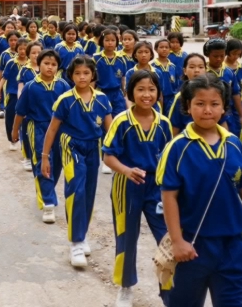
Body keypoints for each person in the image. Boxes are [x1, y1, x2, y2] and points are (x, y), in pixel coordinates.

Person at [156, 74, 242, 307]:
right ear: (188, 107)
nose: (207, 110)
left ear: (224, 108)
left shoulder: (233, 144)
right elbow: (169, 198)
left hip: (232, 243)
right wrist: (177, 241)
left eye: (214, 104)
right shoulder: (177, 149)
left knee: (232, 302)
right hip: (192, 247)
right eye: (200, 103)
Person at [103, 70, 172, 307]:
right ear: (130, 92)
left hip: (157, 187)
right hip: (127, 185)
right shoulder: (122, 121)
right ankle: (125, 287)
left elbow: (168, 158)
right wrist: (125, 170)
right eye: (141, 89)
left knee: (167, 239)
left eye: (152, 89)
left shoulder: (164, 123)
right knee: (126, 237)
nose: (147, 94)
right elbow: (108, 157)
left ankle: (169, 292)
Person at [41, 56, 113, 268]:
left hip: (93, 147)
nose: (82, 77)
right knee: (76, 190)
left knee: (89, 192)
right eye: (77, 73)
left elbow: (110, 131)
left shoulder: (102, 99)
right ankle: (76, 242)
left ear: (93, 76)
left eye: (86, 73)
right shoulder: (65, 100)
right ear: (71, 76)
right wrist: (45, 157)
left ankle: (82, 233)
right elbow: (52, 129)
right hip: (71, 146)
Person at [13, 49, 69, 223]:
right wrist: (14, 131)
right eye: (46, 63)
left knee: (58, 163)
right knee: (43, 163)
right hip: (37, 128)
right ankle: (49, 204)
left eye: (53, 64)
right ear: (39, 64)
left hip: (60, 130)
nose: (50, 67)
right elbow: (20, 112)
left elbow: (70, 110)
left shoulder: (63, 86)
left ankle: (48, 190)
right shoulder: (31, 86)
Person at [168, 53, 207, 134]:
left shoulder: (212, 94)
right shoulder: (180, 97)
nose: (197, 70)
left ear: (206, 70)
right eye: (192, 67)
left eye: (201, 67)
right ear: (185, 71)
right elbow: (174, 127)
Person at [152, 39, 178, 116]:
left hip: (171, 98)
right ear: (156, 49)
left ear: (170, 49)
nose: (164, 49)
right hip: (157, 99)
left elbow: (176, 84)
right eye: (161, 47)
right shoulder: (153, 66)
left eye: (167, 47)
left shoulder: (173, 66)